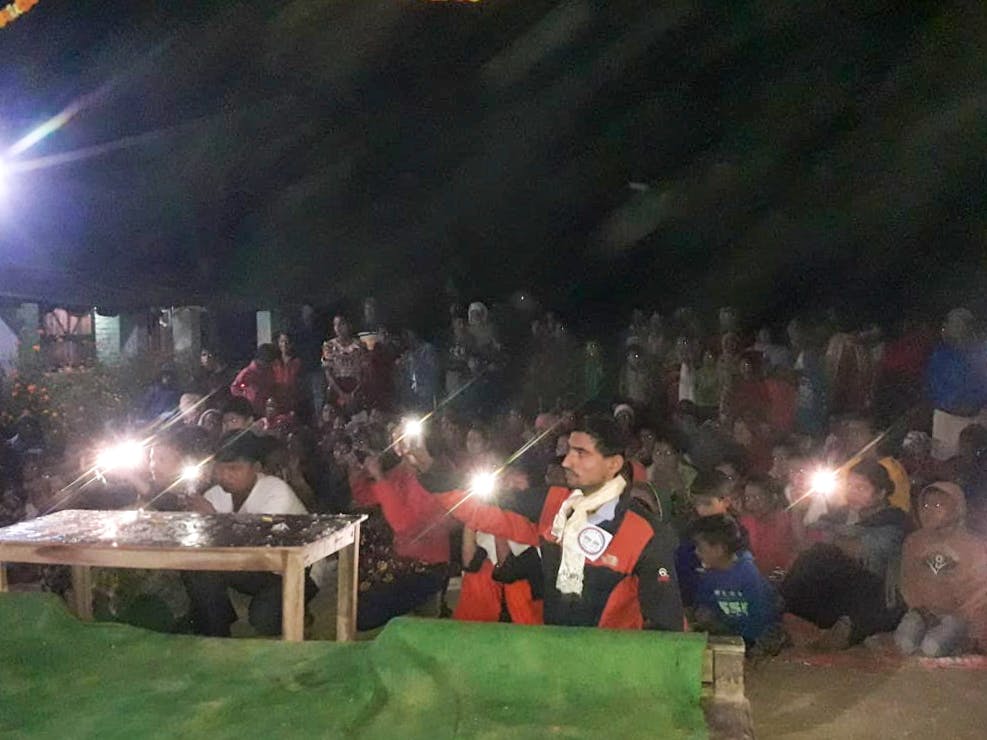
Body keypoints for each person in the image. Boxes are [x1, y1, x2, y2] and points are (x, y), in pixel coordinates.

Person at [426, 416, 684, 630]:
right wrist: (429, 471)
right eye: (569, 451)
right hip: (554, 656)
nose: (567, 462)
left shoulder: (645, 532)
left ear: (613, 464)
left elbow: (666, 625)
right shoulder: (553, 505)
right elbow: (483, 510)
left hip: (609, 666)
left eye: (581, 453)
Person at [182, 433, 312, 637]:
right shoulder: (214, 495)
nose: (225, 475)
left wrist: (213, 518)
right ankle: (216, 634)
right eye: (220, 468)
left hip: (295, 569)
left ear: (256, 468)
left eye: (234, 468)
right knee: (197, 568)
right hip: (253, 567)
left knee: (264, 619)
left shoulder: (275, 490)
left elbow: (257, 540)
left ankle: (299, 612)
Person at [781, 459, 907, 649]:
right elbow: (806, 541)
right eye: (849, 486)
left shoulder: (893, 521)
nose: (852, 493)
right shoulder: (842, 514)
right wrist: (798, 511)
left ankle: (842, 629)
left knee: (822, 556)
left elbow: (859, 550)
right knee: (811, 558)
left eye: (861, 488)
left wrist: (828, 538)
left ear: (881, 493)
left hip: (879, 595)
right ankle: (787, 615)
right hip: (843, 589)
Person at [897, 482, 987, 656]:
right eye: (925, 506)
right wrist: (918, 608)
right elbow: (907, 580)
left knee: (932, 647)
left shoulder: (974, 546)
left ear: (957, 509)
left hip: (959, 616)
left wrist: (963, 618)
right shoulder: (914, 542)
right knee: (904, 643)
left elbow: (978, 594)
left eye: (938, 506)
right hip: (924, 612)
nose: (929, 511)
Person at [691, 514, 784, 651]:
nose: (696, 552)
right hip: (730, 636)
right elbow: (703, 604)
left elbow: (760, 618)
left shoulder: (748, 574)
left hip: (755, 639)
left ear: (719, 549)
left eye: (701, 548)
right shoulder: (709, 575)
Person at [928, 308, 987, 460]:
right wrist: (957, 407)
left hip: (979, 416)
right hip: (949, 419)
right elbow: (935, 390)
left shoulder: (981, 351)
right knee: (947, 462)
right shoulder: (940, 355)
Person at [738, 475, 795, 579]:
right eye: (747, 498)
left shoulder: (789, 521)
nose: (751, 503)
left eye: (757, 497)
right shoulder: (745, 522)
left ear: (773, 497)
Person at [322, 315, 367, 413]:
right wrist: (341, 393)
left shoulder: (359, 345)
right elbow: (328, 373)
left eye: (341, 324)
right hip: (336, 388)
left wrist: (354, 392)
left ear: (348, 325)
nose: (338, 328)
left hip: (355, 388)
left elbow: (364, 371)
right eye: (335, 325)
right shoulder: (329, 346)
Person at [230, 344, 278, 417]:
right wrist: (245, 398)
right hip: (252, 411)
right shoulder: (248, 373)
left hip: (266, 410)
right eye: (267, 361)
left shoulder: (270, 371)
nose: (269, 364)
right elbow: (234, 388)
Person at [273, 332, 303, 415]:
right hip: (277, 399)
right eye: (282, 341)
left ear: (292, 344)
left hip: (293, 401)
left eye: (287, 342)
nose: (284, 344)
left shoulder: (298, 361)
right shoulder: (274, 361)